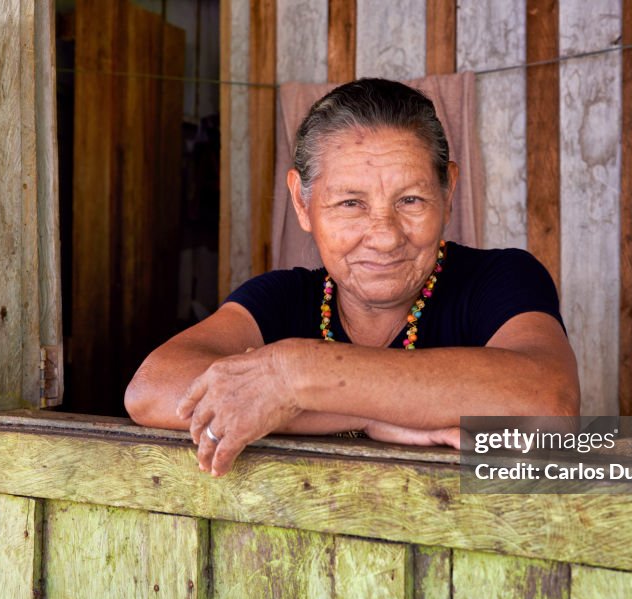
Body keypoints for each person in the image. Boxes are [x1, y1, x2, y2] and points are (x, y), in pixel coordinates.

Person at [125, 78, 579, 476]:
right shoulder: (281, 298)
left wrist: (292, 377)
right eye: (350, 204)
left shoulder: (500, 278)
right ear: (301, 204)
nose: (384, 237)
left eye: (412, 200)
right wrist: (367, 416)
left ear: (449, 190)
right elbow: (151, 389)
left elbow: (548, 402)